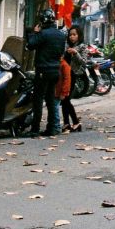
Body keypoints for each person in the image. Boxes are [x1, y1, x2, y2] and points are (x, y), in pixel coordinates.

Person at [27, 8, 66, 136]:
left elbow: (30, 45)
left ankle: (35, 129)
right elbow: (61, 52)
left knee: (38, 100)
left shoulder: (43, 34)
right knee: (50, 99)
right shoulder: (61, 35)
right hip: (55, 70)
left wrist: (34, 32)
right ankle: (52, 127)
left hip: (43, 70)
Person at [61, 26, 86, 132]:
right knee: (63, 99)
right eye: (70, 34)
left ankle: (75, 122)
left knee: (66, 99)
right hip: (63, 74)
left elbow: (84, 61)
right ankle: (66, 123)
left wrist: (75, 53)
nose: (72, 37)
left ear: (79, 36)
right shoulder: (66, 45)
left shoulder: (82, 47)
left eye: (74, 35)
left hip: (73, 74)